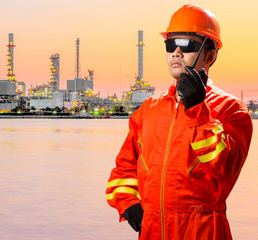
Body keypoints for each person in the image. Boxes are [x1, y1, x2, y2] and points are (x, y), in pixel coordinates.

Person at [106, 4, 252, 240]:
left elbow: (225, 168)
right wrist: (128, 203)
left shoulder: (231, 110)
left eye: (187, 45)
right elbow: (124, 169)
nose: (175, 52)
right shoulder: (148, 111)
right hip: (152, 229)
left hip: (202, 230)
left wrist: (197, 110)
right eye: (169, 45)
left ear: (211, 54)